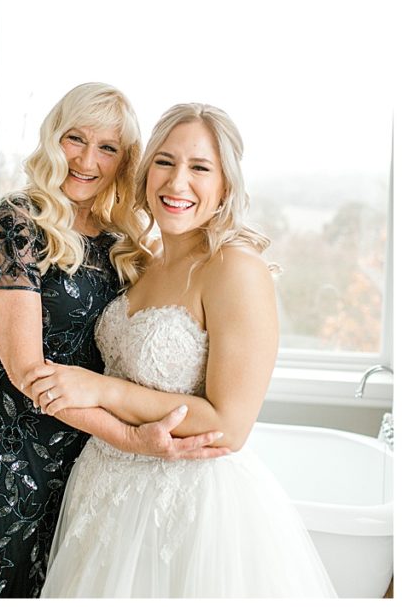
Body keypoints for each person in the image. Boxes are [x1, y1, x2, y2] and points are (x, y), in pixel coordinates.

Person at [32, 103, 336, 597]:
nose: (177, 183)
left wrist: (100, 389)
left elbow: (229, 425)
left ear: (225, 186)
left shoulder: (235, 269)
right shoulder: (138, 261)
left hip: (186, 505)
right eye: (166, 162)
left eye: (199, 168)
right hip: (102, 490)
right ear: (145, 169)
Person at [0, 84, 228, 599]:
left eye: (108, 148)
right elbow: (29, 374)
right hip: (13, 443)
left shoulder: (122, 240)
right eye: (76, 138)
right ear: (55, 139)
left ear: (125, 161)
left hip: (87, 449)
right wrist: (132, 439)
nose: (87, 159)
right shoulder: (18, 222)